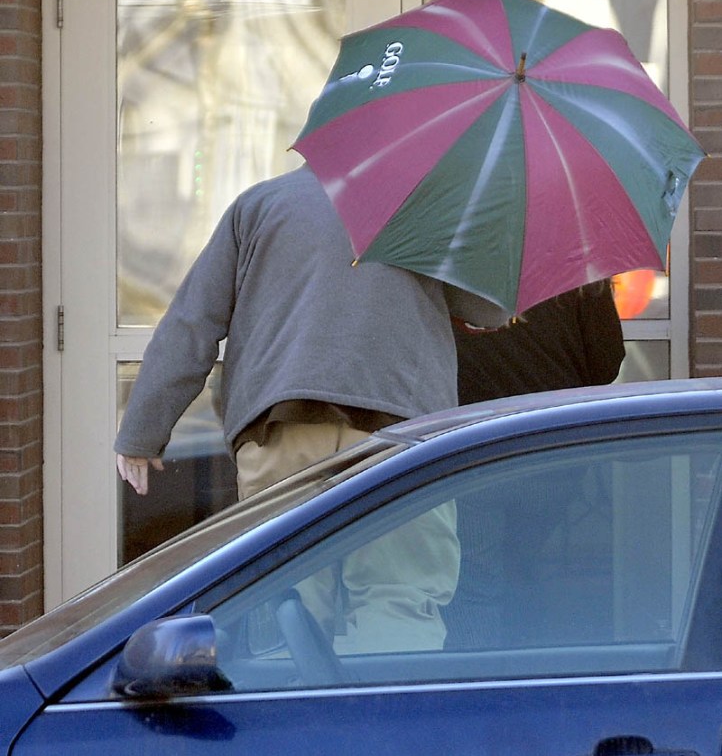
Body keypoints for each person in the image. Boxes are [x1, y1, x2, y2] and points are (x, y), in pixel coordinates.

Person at [115, 162, 509, 650]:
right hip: (397, 435)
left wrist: (142, 431)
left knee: (288, 612)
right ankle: (380, 724)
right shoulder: (424, 205)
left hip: (278, 430)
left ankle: (296, 722)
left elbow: (193, 322)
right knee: (397, 599)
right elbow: (491, 307)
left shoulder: (258, 206)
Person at [444, 280, 625, 651]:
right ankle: (528, 674)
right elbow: (606, 364)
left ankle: (477, 691)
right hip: (551, 450)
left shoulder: (451, 261)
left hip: (471, 450)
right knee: (526, 574)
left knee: (474, 587)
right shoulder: (577, 269)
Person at [454, 279, 626, 406]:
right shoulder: (577, 261)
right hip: (552, 423)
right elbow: (606, 365)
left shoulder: (448, 264)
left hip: (468, 426)